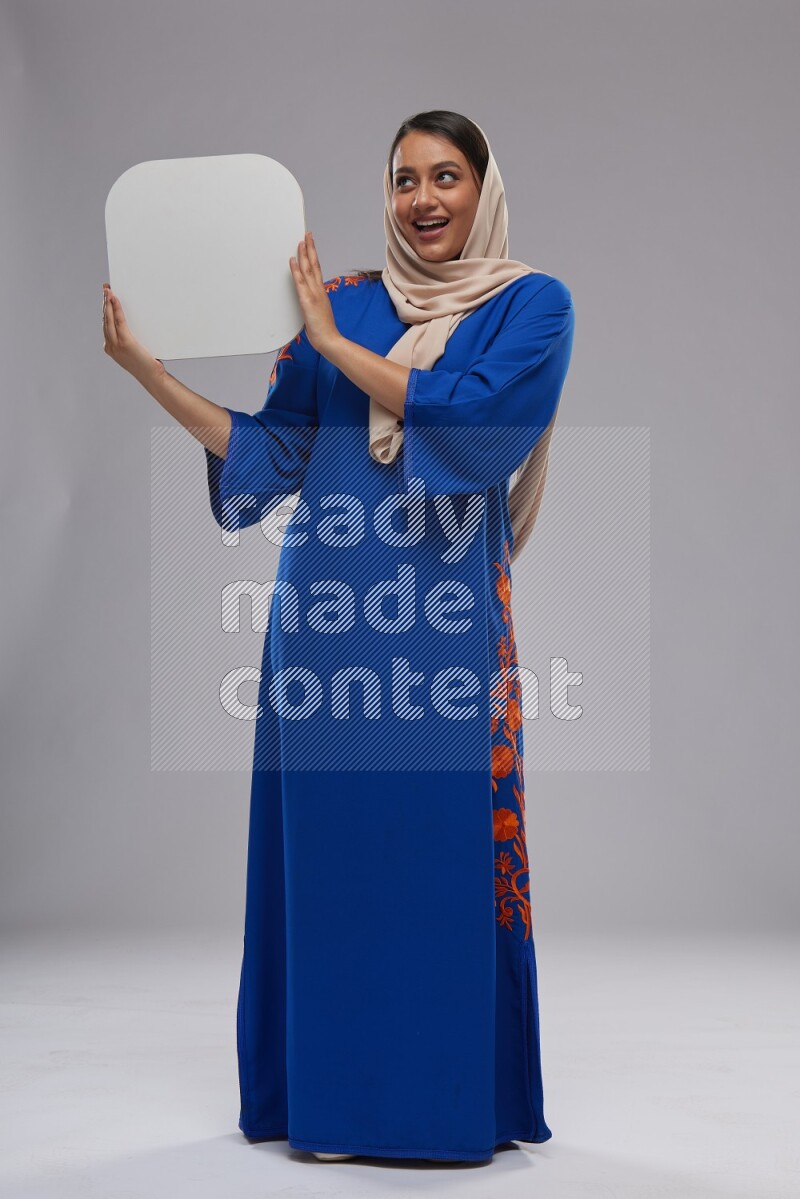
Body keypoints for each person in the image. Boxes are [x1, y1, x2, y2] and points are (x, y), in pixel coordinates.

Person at [102, 109, 575, 1165]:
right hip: (323, 626)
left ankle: (447, 1101)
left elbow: (467, 419)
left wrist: (325, 342)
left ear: (482, 185)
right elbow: (269, 455)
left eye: (445, 175)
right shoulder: (349, 299)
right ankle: (329, 1102)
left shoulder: (530, 305)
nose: (422, 199)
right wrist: (147, 368)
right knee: (332, 866)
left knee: (438, 856)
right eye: (403, 178)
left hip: (444, 623)